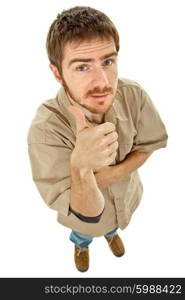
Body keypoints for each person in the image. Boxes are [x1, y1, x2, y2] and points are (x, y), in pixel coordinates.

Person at [27, 6, 168, 272]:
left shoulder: (133, 95)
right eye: (82, 67)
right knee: (85, 231)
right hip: (86, 220)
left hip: (126, 199)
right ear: (58, 73)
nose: (102, 81)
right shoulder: (45, 130)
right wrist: (80, 167)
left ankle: (112, 234)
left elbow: (150, 143)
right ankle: (81, 246)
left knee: (112, 224)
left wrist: (111, 174)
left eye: (108, 62)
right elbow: (85, 212)